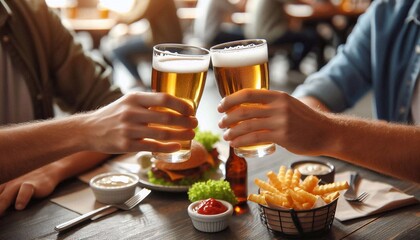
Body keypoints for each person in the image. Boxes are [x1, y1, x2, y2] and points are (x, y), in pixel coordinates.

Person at [0, 0, 197, 214]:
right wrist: (85, 129)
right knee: (119, 50)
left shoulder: (33, 12)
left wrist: (53, 166)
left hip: (28, 209)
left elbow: (109, 112)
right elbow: (101, 123)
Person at [217, 0, 420, 183]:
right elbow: (325, 86)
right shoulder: (388, 11)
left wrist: (327, 132)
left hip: (398, 198)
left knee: (310, 37)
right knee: (311, 38)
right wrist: (298, 120)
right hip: (400, 194)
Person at [109, 0, 183, 90]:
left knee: (117, 51)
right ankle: (141, 83)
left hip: (165, 43)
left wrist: (119, 18)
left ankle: (140, 84)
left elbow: (140, 14)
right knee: (122, 45)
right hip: (163, 39)